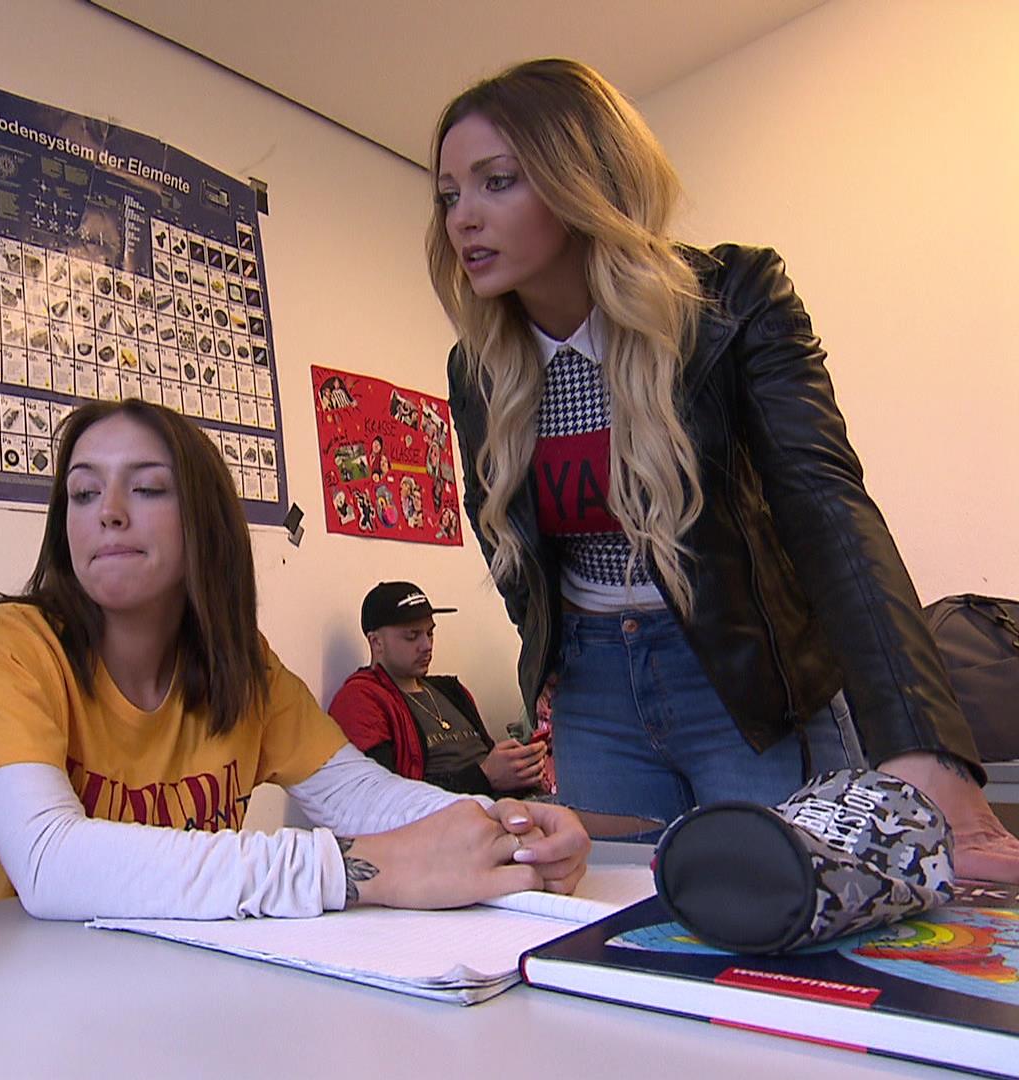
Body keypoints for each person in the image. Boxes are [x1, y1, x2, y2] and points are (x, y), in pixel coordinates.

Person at [429, 57, 1019, 879]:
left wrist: (923, 747)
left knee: (788, 904)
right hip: (596, 693)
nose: (463, 218)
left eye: (497, 182)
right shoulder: (479, 367)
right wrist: (554, 665)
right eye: (448, 195)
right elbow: (507, 540)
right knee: (624, 917)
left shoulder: (731, 302)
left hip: (746, 682)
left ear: (583, 177)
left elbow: (826, 505)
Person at [0, 399, 589, 920]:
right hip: (8, 984)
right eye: (83, 493)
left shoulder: (242, 663)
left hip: (174, 975)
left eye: (145, 488)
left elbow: (354, 793)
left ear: (205, 523)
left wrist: (506, 826)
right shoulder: (10, 644)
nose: (108, 513)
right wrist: (359, 870)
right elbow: (50, 863)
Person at [327, 582, 546, 796]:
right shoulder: (359, 700)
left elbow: (489, 759)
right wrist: (484, 776)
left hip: (505, 801)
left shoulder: (452, 691)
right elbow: (385, 797)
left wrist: (524, 765)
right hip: (450, 813)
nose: (427, 645)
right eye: (412, 636)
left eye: (430, 633)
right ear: (376, 642)